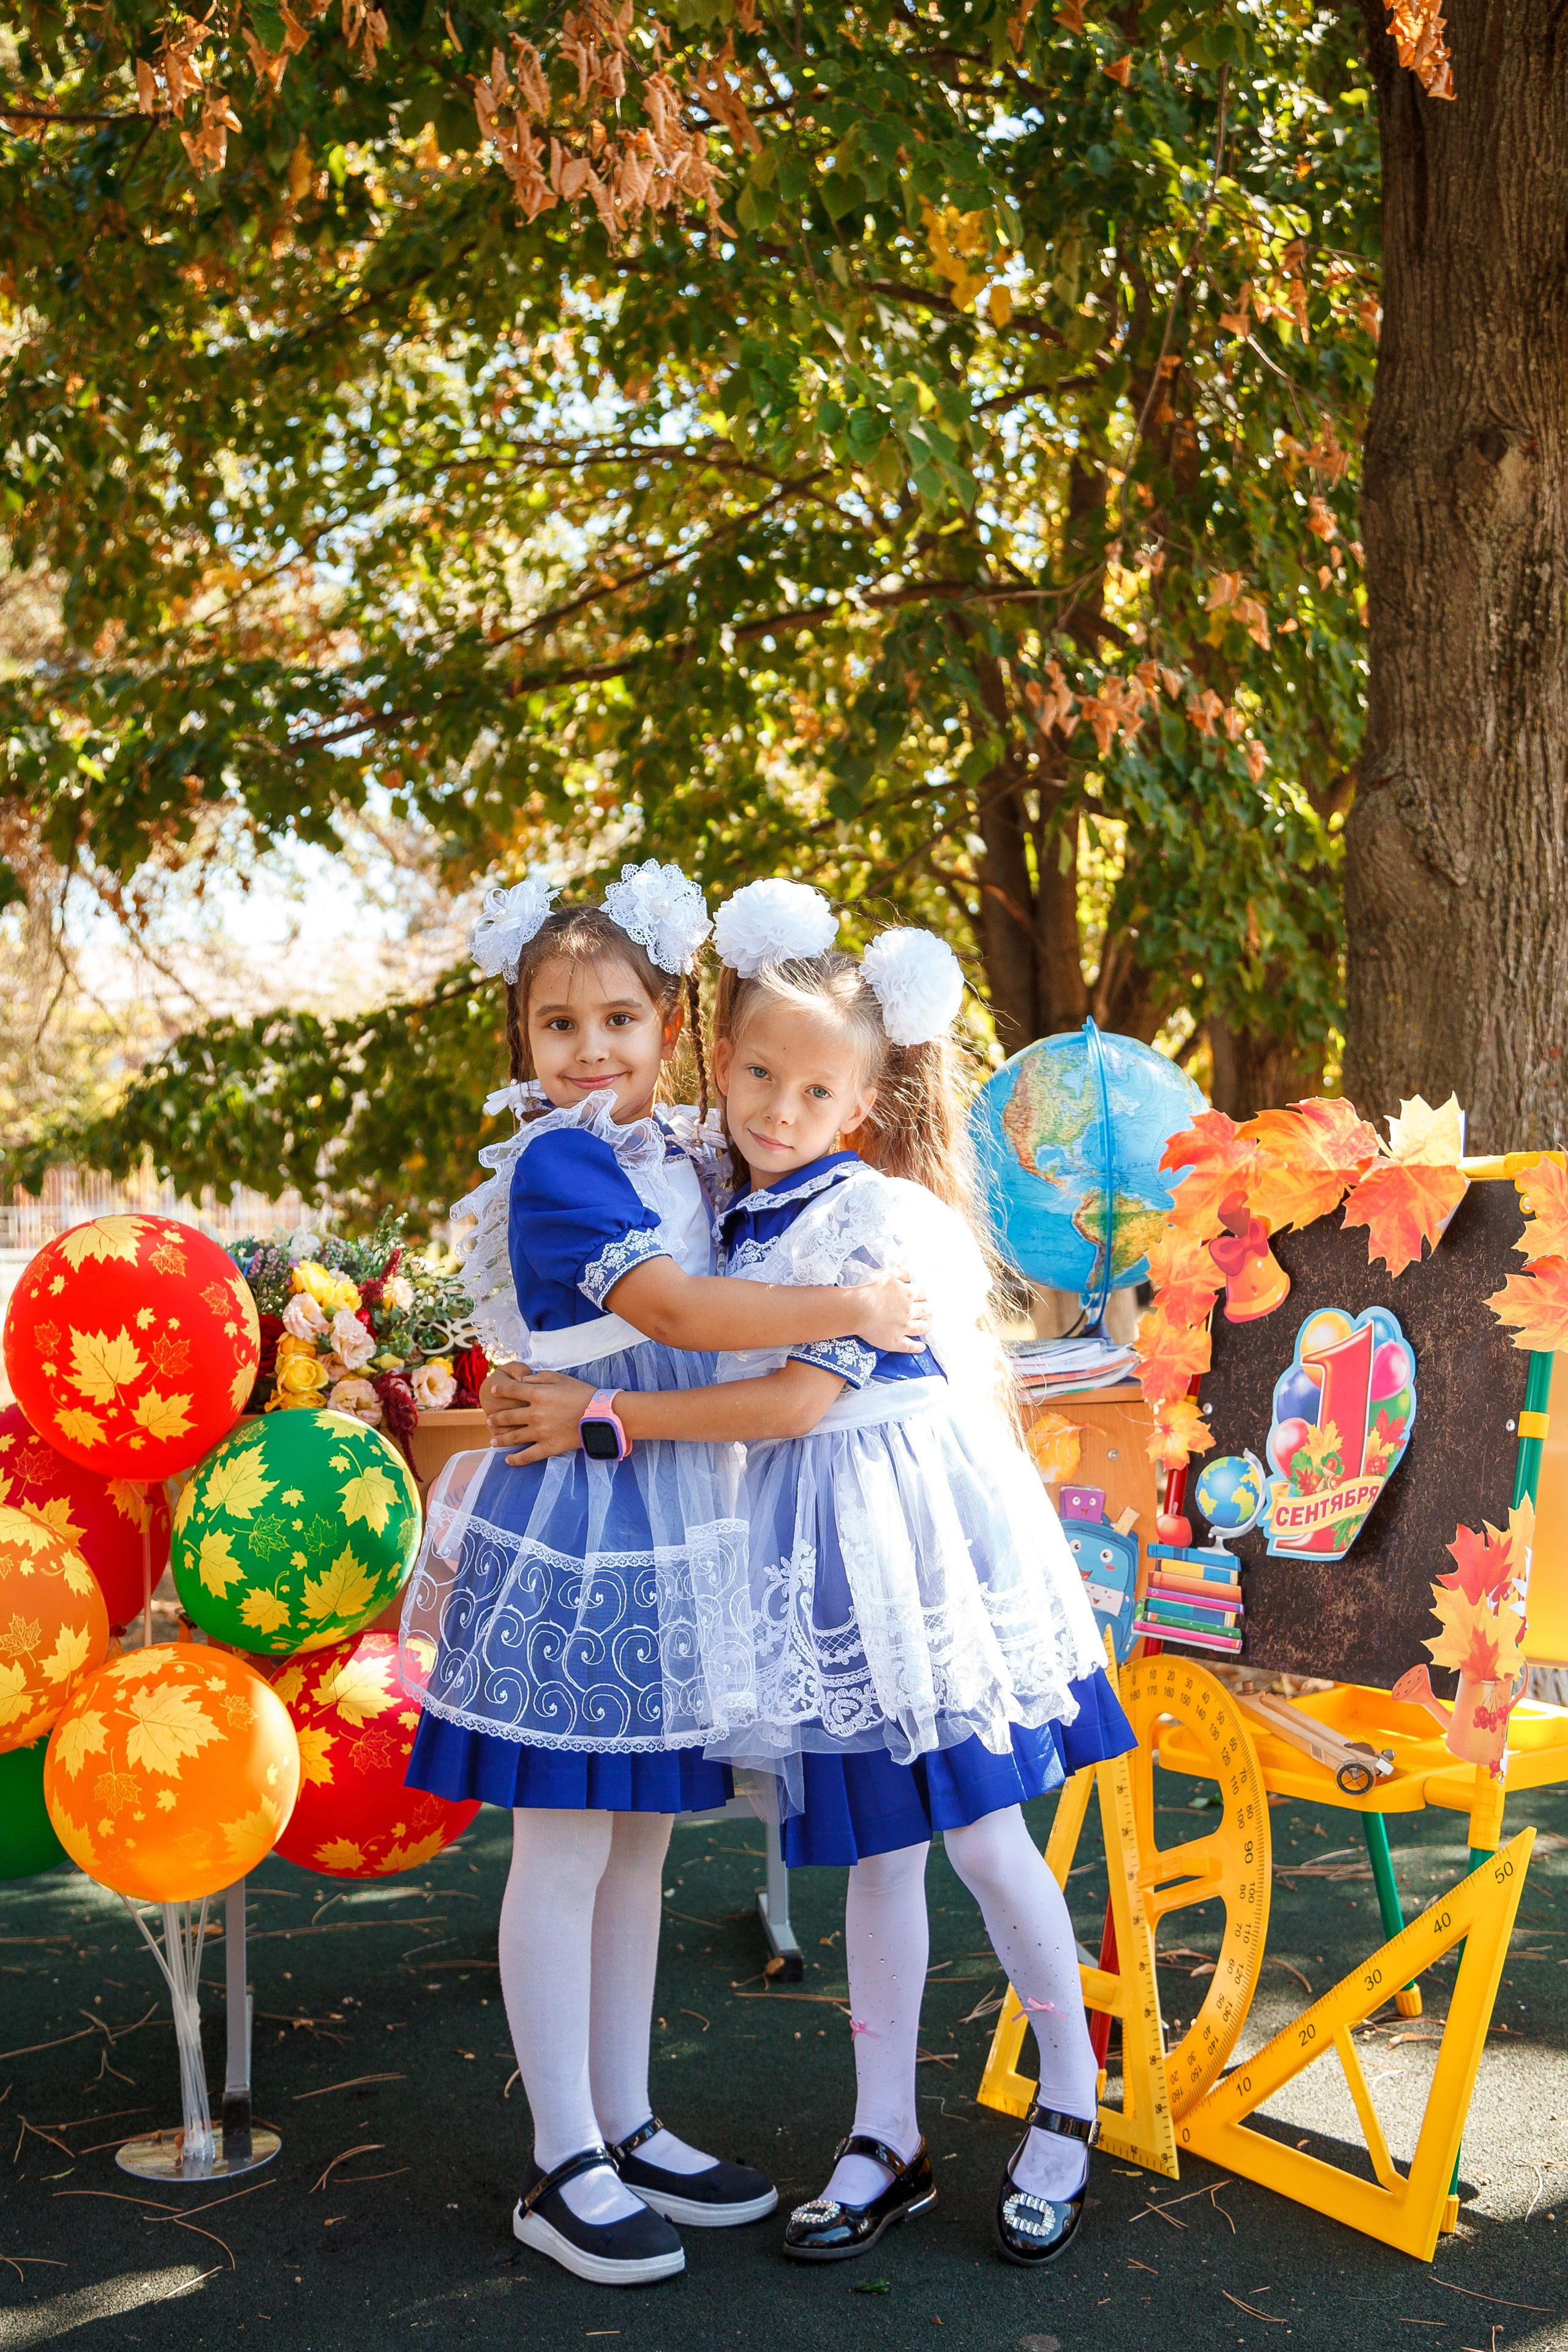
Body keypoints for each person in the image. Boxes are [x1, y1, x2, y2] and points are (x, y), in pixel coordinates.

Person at [488, 884, 1137, 2272]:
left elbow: (783, 1402)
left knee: (978, 1838)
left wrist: (602, 1419)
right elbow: (671, 1316)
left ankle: (1073, 2102)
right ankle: (881, 2134)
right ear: (715, 1061)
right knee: (873, 1853)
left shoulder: (873, 1228)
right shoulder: (716, 1193)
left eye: (814, 1087)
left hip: (907, 1557)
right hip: (809, 1552)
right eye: (759, 1074)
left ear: (862, 1102)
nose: (778, 1106)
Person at [399, 863, 931, 2288]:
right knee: (566, 1843)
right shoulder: (563, 1164)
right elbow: (678, 1310)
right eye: (557, 1023)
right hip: (580, 1520)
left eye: (620, 1018)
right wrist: (855, 1309)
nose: (589, 1048)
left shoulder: (679, 1151)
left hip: (666, 1508)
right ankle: (559, 2157)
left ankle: (627, 2120)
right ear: (522, 1039)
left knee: (636, 1838)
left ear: (671, 1021)